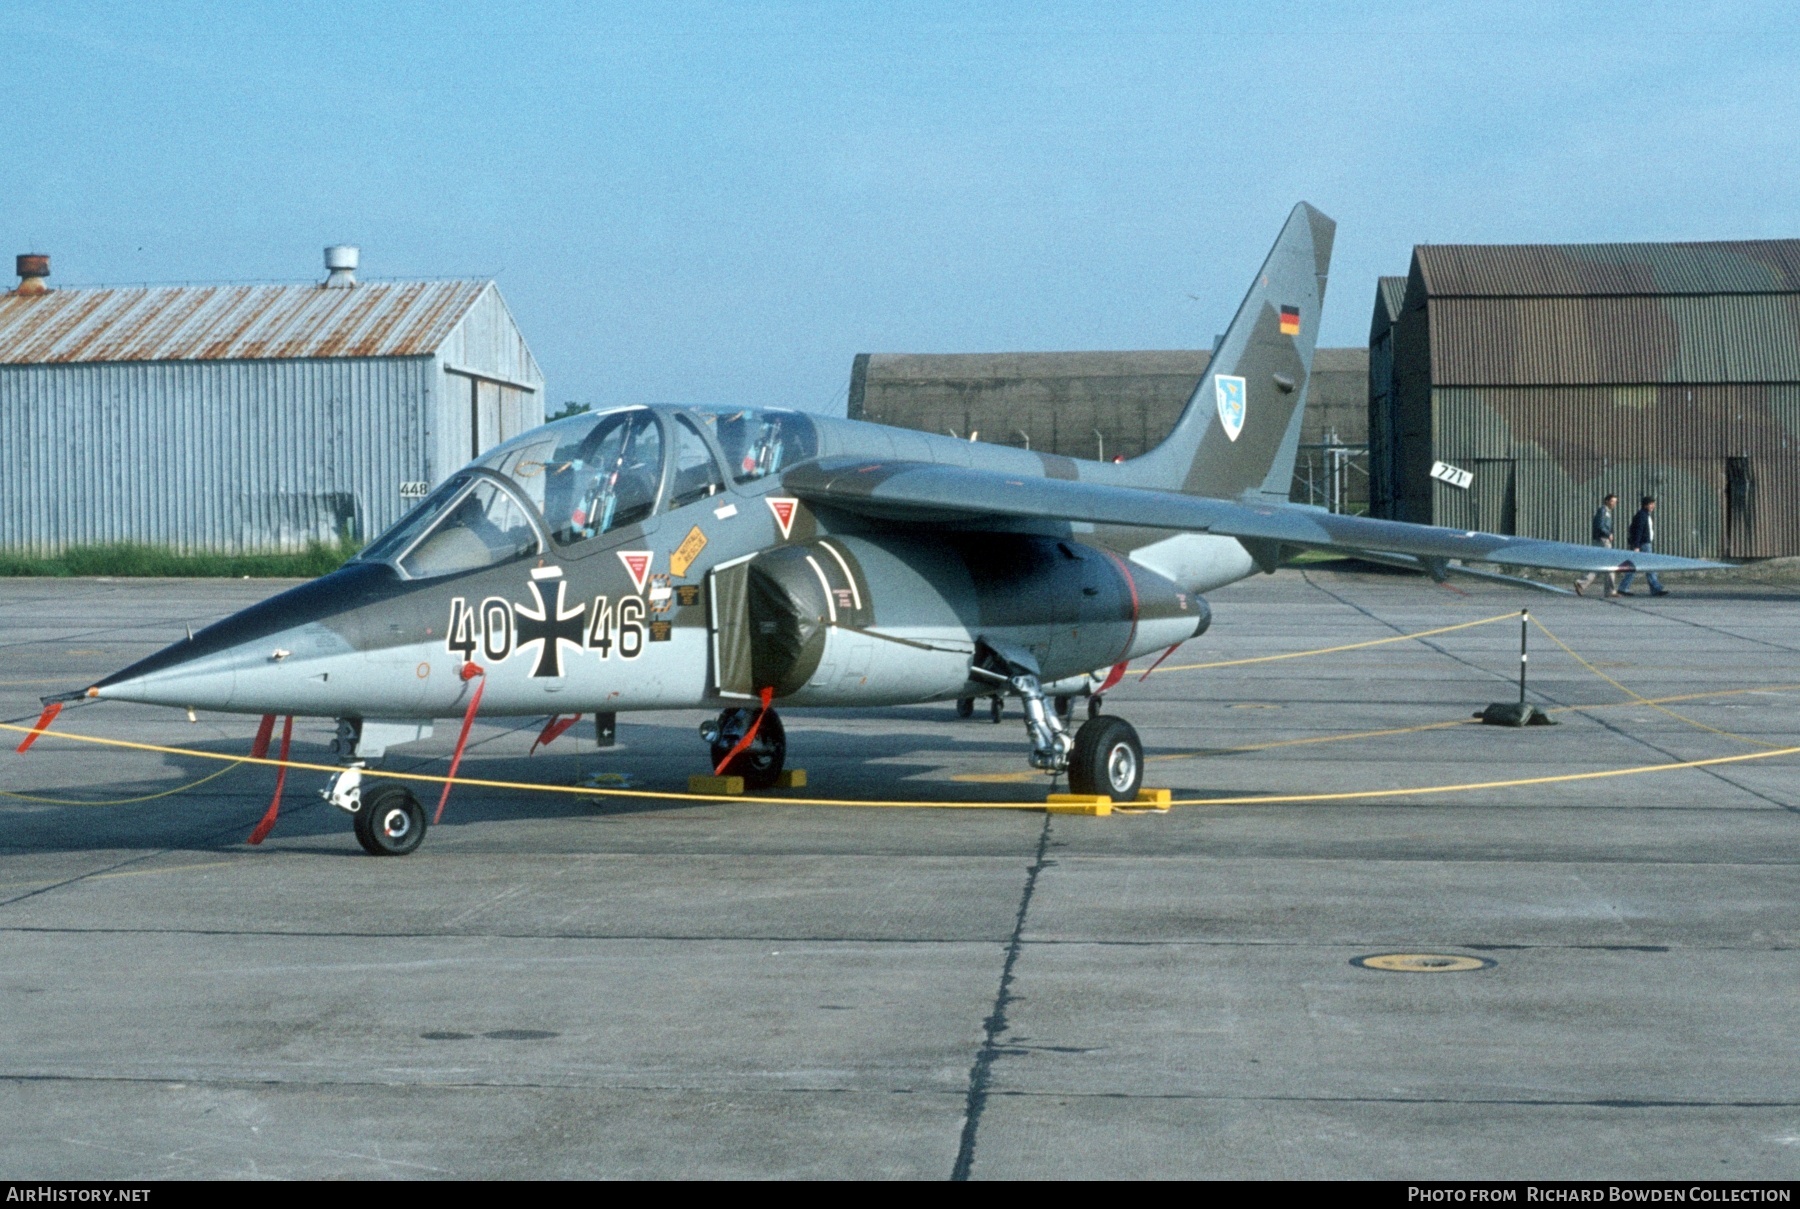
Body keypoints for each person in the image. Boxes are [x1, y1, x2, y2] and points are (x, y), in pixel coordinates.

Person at [1616, 496, 1668, 596]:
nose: (1653, 506)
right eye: (1651, 504)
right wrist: (1636, 546)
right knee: (1647, 565)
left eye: (1653, 504)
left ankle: (1624, 587)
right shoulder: (1642, 516)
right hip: (1643, 545)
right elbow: (1638, 531)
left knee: (1639, 566)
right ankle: (1655, 588)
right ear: (1645, 505)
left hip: (1644, 544)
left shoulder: (1644, 515)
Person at [1574, 493, 1619, 597]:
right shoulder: (1603, 511)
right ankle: (1609, 591)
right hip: (1603, 540)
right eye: (1612, 501)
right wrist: (1608, 534)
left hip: (1601, 539)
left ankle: (1581, 583)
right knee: (1610, 565)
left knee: (1600, 564)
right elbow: (1600, 526)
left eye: (1615, 502)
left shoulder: (1606, 511)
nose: (1614, 504)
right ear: (1607, 501)